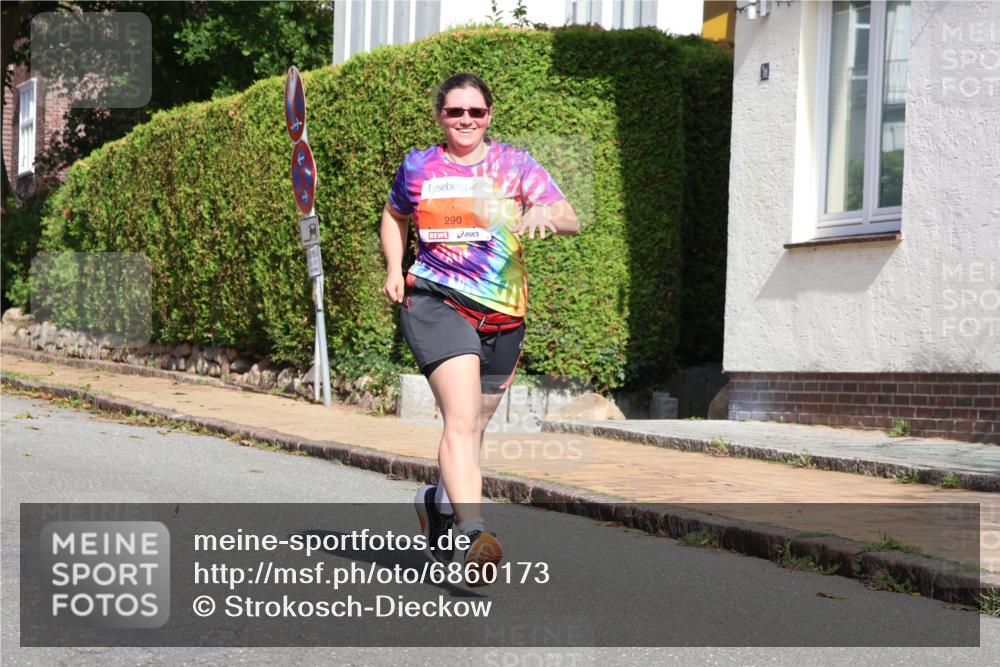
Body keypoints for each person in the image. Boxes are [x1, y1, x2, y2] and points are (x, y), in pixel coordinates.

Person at [380, 72, 579, 585]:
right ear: (439, 117)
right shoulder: (419, 166)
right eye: (455, 112)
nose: (466, 120)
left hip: (503, 314)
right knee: (463, 421)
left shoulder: (515, 164)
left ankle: (438, 505)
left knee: (475, 427)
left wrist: (544, 213)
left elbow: (569, 218)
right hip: (436, 300)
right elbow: (394, 214)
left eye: (476, 112)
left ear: (489, 115)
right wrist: (395, 268)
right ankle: (474, 536)